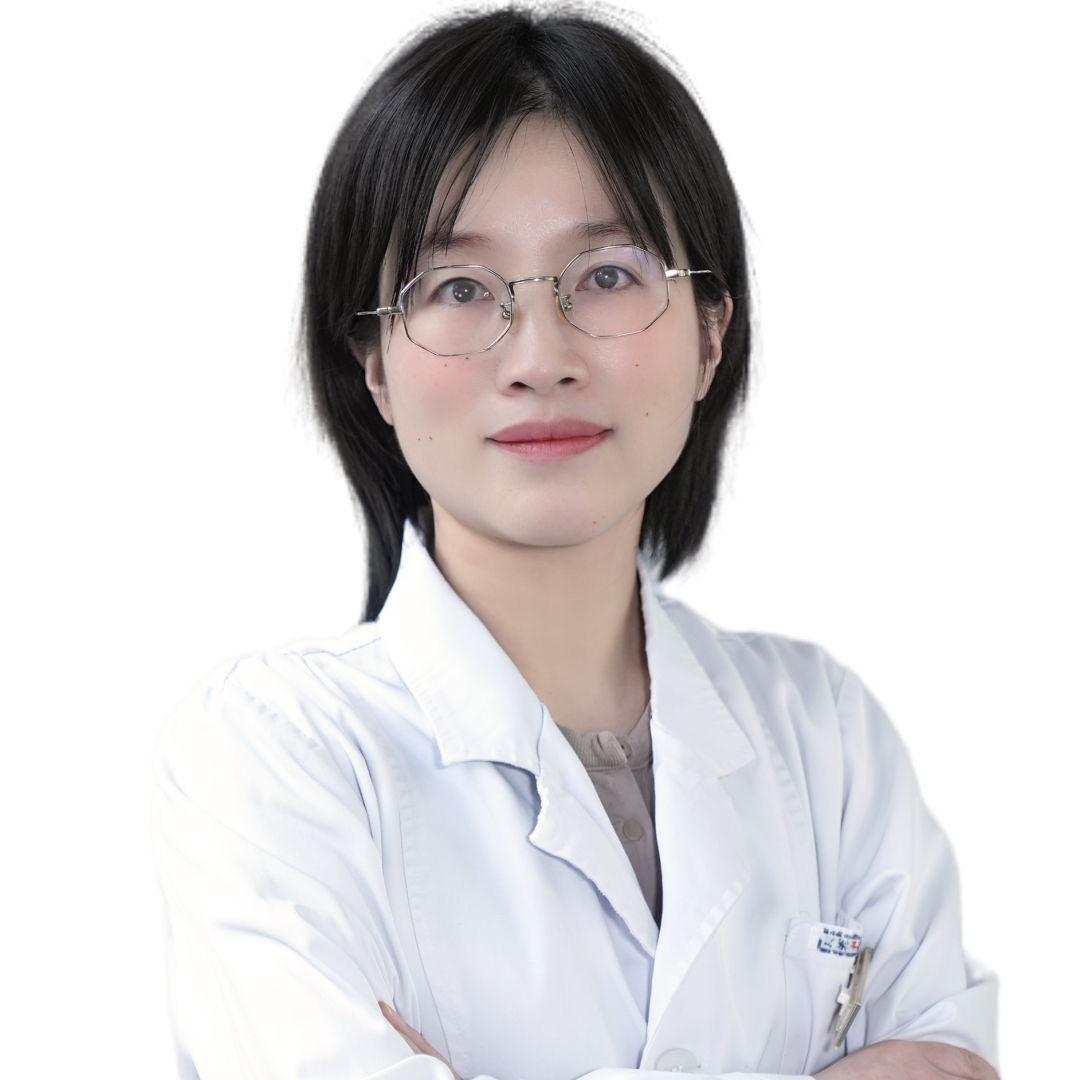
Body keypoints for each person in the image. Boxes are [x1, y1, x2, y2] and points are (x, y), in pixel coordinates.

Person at [146, 2, 1003, 1078]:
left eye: (607, 274)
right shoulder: (269, 750)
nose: (539, 356)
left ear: (711, 334)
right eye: (459, 288)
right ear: (374, 365)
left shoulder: (824, 726)